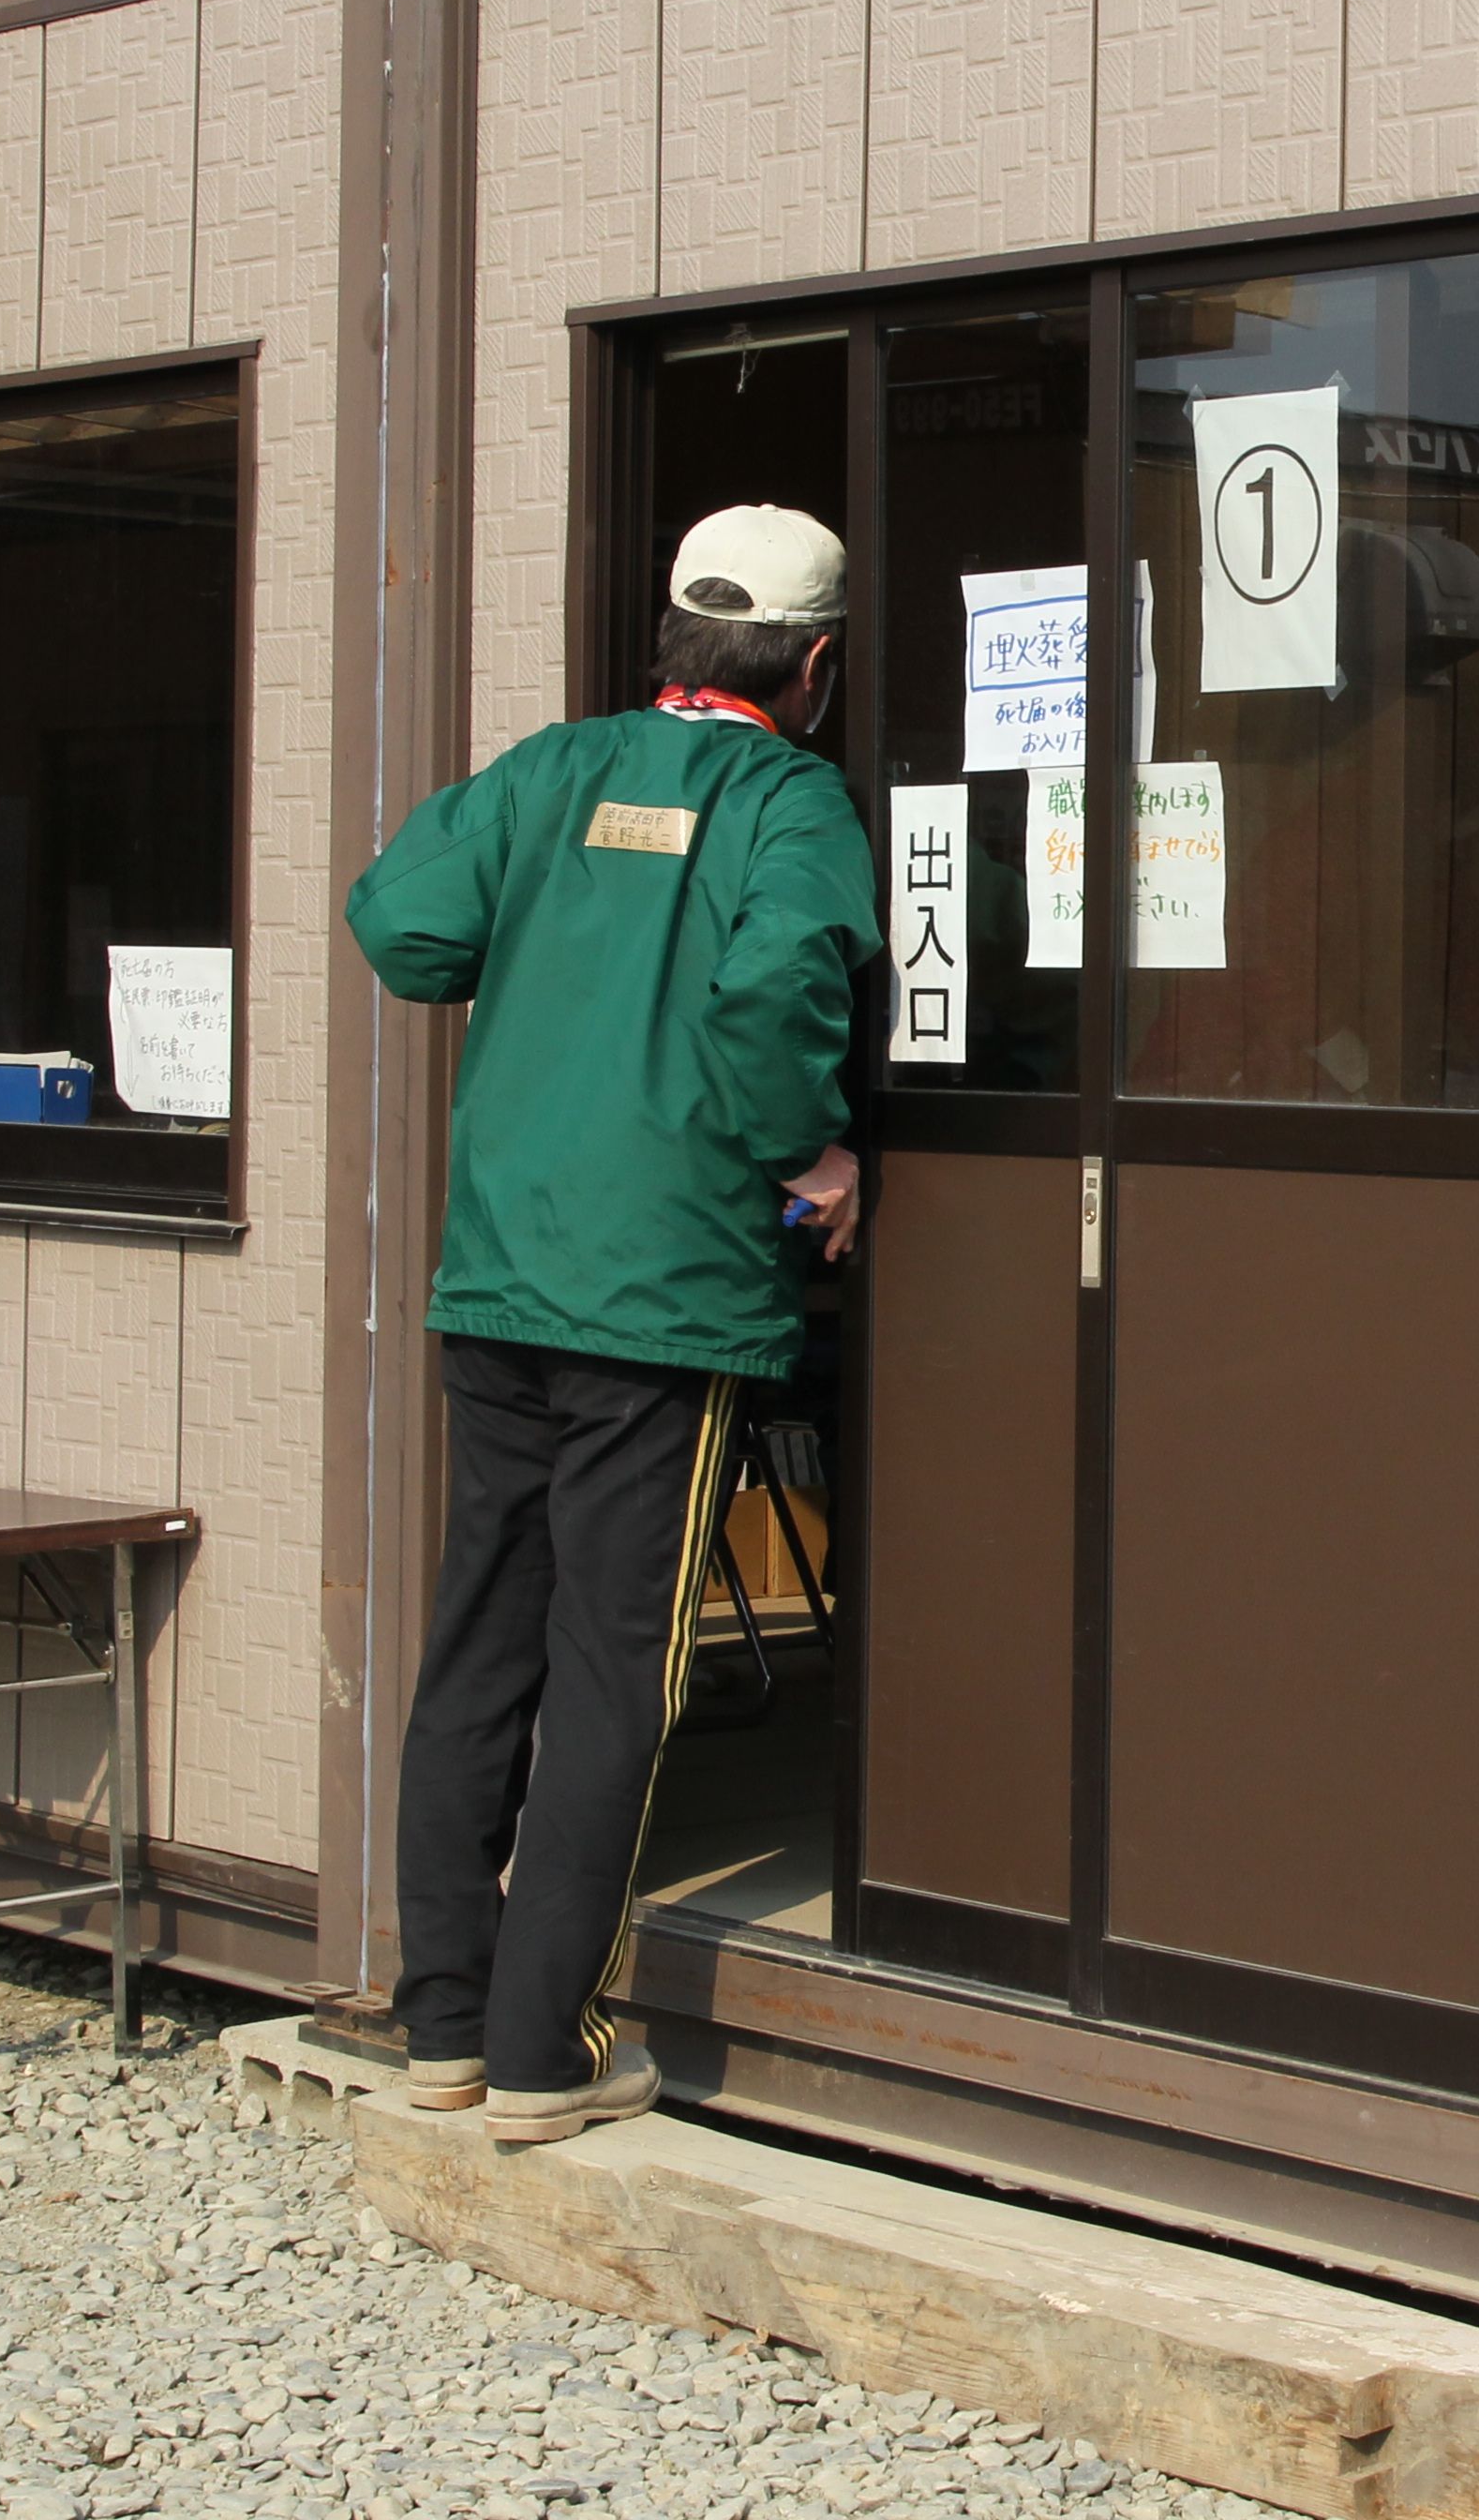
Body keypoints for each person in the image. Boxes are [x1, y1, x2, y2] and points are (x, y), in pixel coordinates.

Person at [343, 505, 876, 2146]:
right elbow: (772, 996)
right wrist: (814, 1149)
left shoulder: (552, 770)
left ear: (671, 639)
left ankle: (440, 2023)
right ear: (816, 664)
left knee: (481, 1635)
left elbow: (401, 925)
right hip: (664, 1301)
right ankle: (539, 2053)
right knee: (612, 1667)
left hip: (502, 1278)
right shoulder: (793, 801)